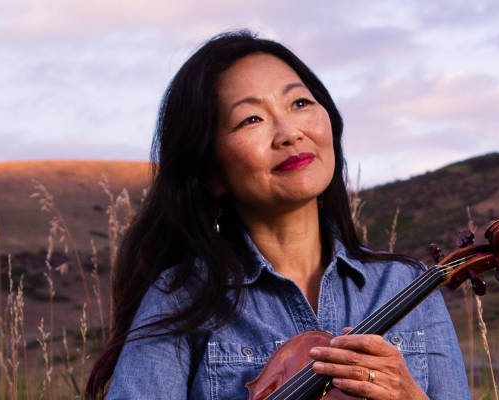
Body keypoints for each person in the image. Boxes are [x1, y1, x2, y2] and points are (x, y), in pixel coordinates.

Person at [82, 30, 469, 400]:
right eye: (251, 119)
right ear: (210, 172)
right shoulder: (181, 298)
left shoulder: (406, 285)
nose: (289, 133)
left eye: (299, 103)